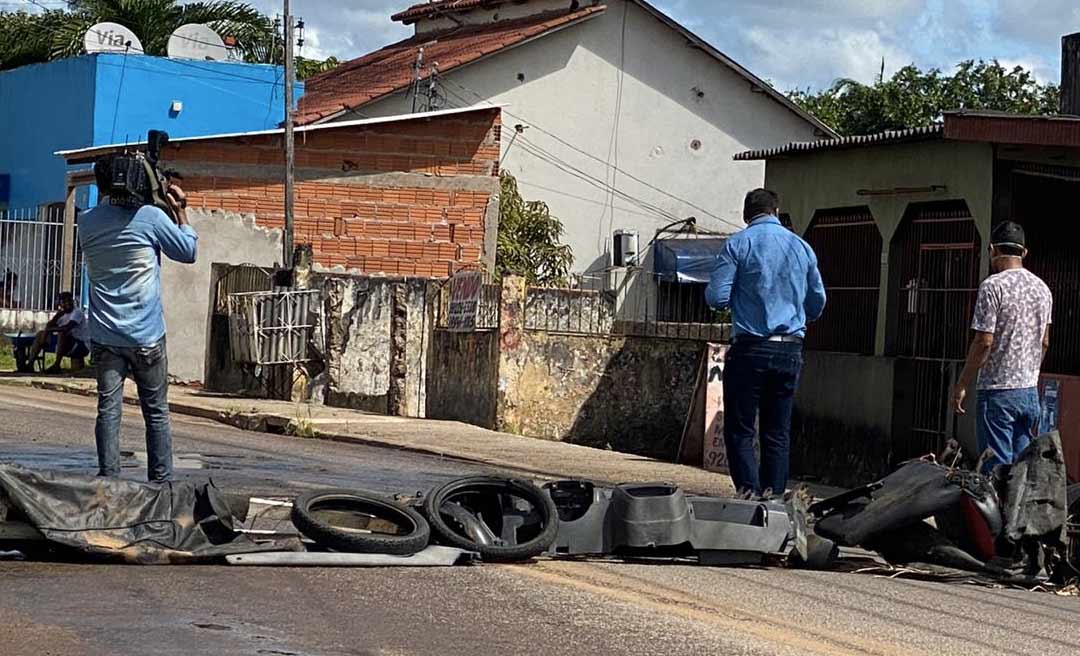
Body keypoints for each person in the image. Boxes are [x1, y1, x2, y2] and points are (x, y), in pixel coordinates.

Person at [79, 156, 197, 483]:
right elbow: (188, 251)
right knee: (156, 413)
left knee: (108, 411)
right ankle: (160, 486)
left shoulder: (86, 222)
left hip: (105, 336)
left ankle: (109, 481)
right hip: (146, 336)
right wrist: (180, 210)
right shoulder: (150, 218)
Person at [705, 188, 826, 497]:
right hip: (790, 348)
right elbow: (817, 304)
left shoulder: (738, 244)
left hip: (751, 348)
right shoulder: (802, 247)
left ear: (747, 215)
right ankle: (773, 499)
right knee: (777, 432)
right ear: (776, 210)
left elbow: (717, 297)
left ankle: (748, 494)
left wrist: (744, 300)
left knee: (741, 429)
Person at [951, 221, 1052, 474]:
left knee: (995, 473)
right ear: (1024, 253)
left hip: (997, 394)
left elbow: (984, 341)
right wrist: (1029, 374)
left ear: (992, 250)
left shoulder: (992, 287)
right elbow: (1045, 342)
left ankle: (997, 514)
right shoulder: (1043, 289)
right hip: (1029, 393)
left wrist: (962, 383)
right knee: (1022, 474)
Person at [20, 292, 90, 373]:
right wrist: (56, 317)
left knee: (62, 333)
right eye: (64, 302)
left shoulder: (77, 312)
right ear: (60, 304)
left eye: (69, 301)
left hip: (80, 344)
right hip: (66, 343)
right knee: (40, 334)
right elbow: (49, 325)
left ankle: (57, 365)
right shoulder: (62, 314)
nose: (67, 304)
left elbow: (66, 328)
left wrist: (49, 330)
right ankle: (30, 364)